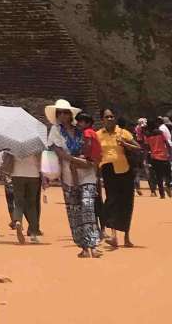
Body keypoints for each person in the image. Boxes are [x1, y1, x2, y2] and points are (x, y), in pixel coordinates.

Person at [45, 99, 101, 257]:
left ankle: (93, 244)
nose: (63, 115)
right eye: (60, 112)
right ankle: (83, 246)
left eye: (65, 112)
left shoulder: (82, 129)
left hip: (87, 175)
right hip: (69, 176)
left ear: (71, 114)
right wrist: (79, 161)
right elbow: (59, 153)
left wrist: (90, 163)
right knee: (75, 211)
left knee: (88, 207)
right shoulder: (55, 131)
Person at [95, 107, 138, 248]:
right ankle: (113, 236)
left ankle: (126, 236)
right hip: (108, 170)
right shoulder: (98, 135)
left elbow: (138, 148)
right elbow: (94, 153)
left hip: (125, 170)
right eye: (107, 117)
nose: (110, 119)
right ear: (102, 120)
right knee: (112, 201)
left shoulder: (123, 132)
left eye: (112, 116)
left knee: (126, 202)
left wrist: (125, 144)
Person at [0, 134, 42, 245]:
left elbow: (6, 157)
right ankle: (33, 233)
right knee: (32, 204)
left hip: (17, 174)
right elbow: (40, 160)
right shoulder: (36, 142)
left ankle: (18, 221)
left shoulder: (13, 141)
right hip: (33, 174)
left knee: (18, 203)